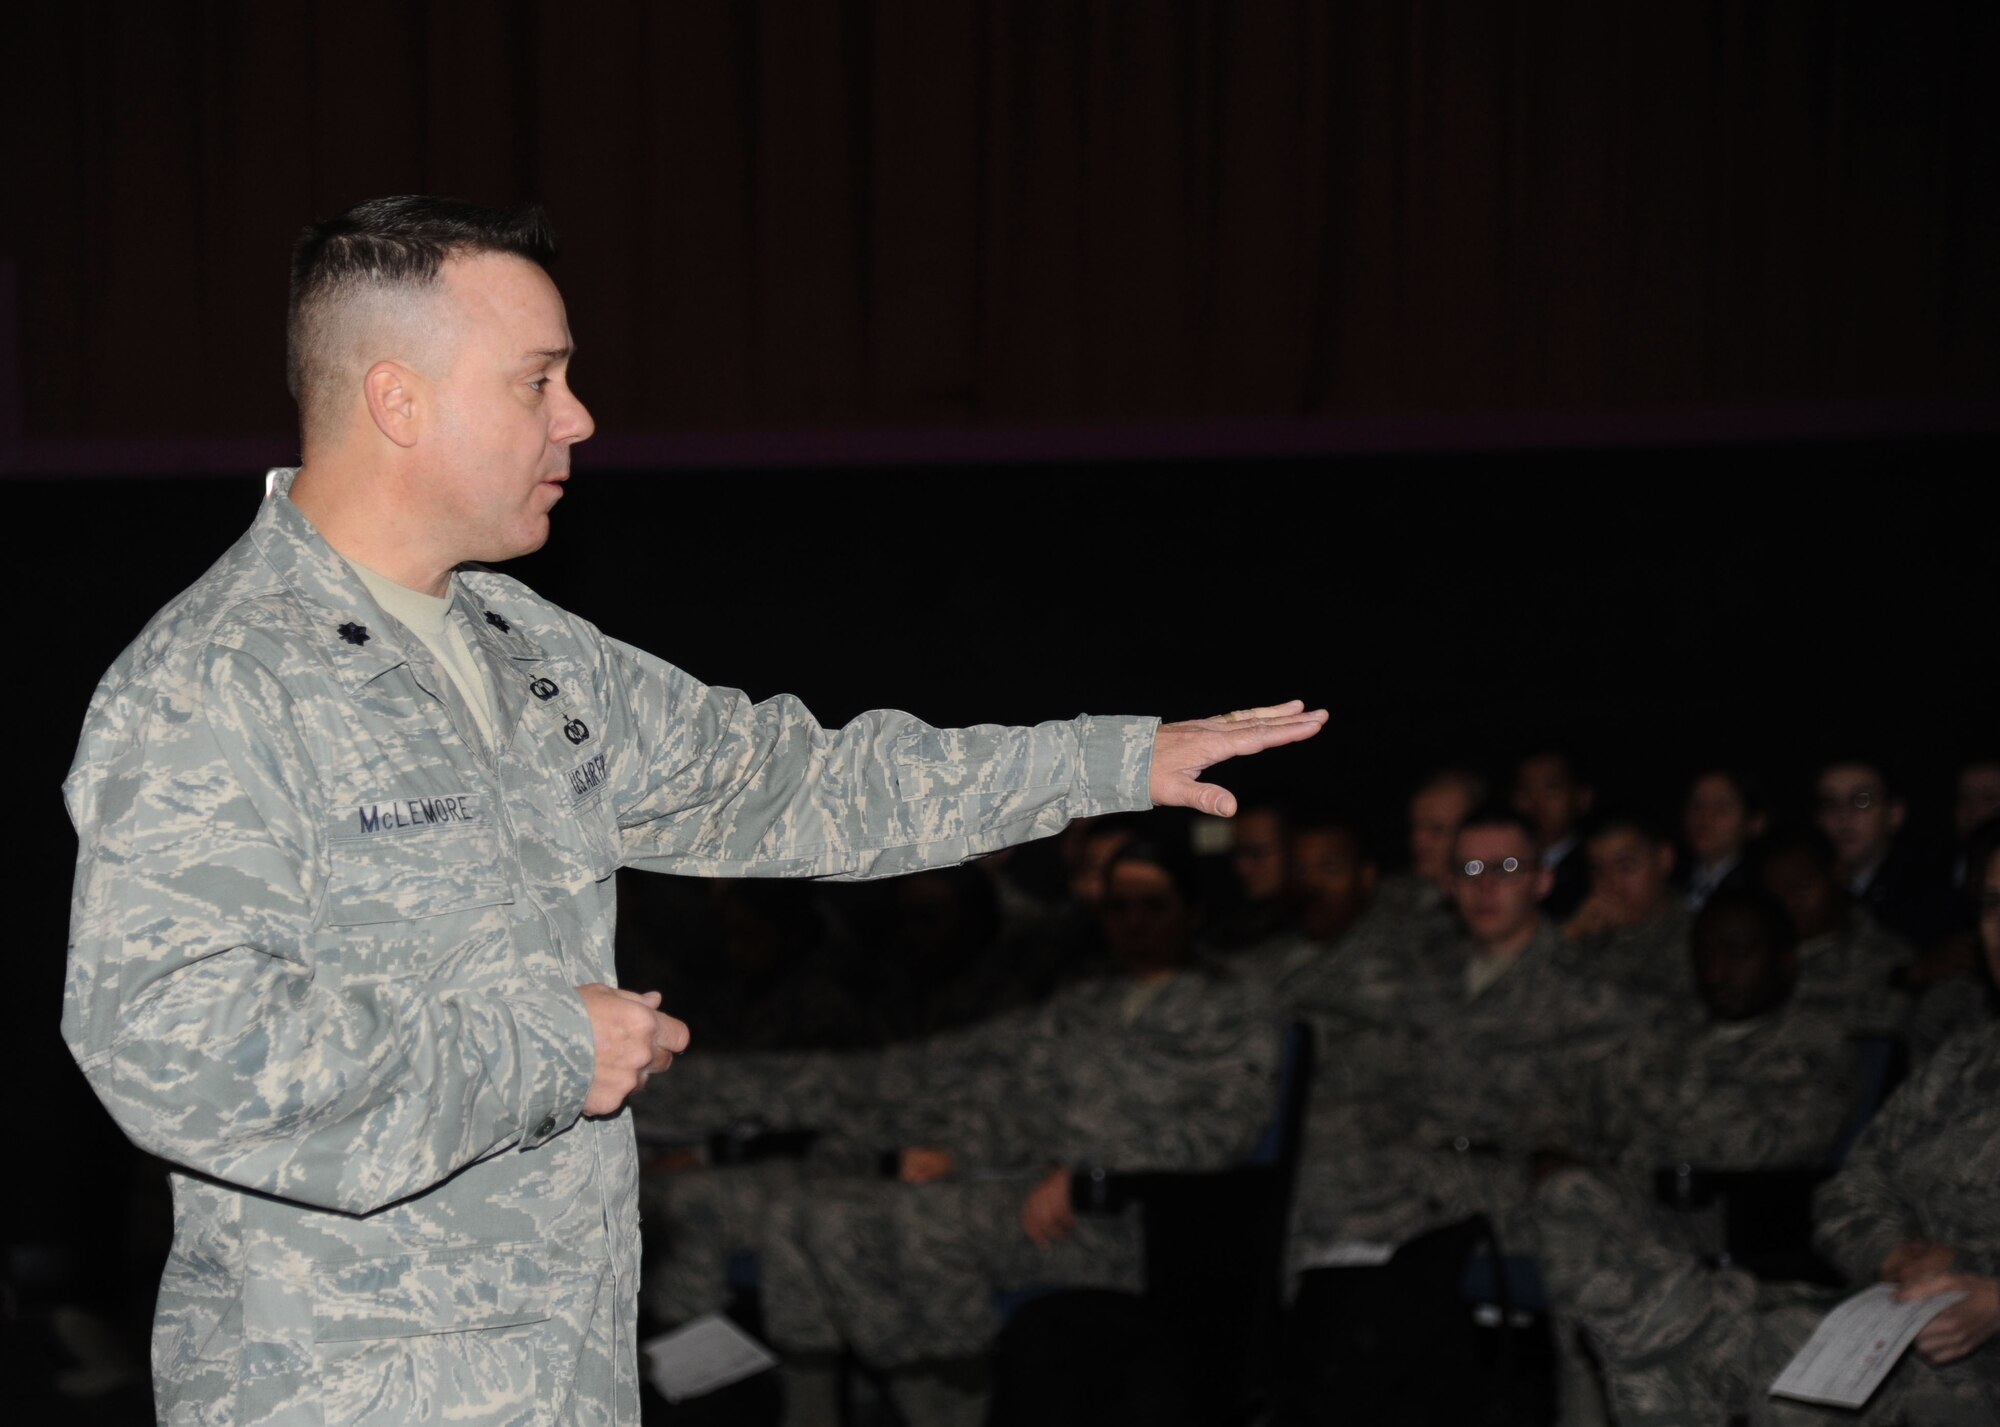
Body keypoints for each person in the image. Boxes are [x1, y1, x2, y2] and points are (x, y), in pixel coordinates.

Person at [59, 196, 1326, 1426]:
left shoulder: (526, 652)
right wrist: (550, 1051)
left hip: (562, 1366)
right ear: (397, 398)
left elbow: (800, 784)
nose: (580, 417)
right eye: (537, 380)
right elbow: (173, 1040)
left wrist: (1107, 761)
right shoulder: (218, 676)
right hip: (338, 1385)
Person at [1534, 840, 2000, 1425]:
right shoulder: (1969, 1058)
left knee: (1691, 1340)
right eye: (1992, 906)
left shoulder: (1813, 1043)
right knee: (1661, 1336)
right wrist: (1894, 1251)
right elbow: (1853, 1186)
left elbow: (1765, 1147)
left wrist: (1990, 1293)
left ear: (1784, 960)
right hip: (1896, 1309)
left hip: (1962, 1344)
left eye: (1737, 953)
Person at [1560, 811, 1696, 1011]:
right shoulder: (1585, 930)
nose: (1611, 884)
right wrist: (1568, 935)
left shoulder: (1696, 938)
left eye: (1626, 867)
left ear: (1664, 860)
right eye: (1598, 871)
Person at [1512, 750, 1595, 922]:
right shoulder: (1499, 863)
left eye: (1551, 789)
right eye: (1525, 791)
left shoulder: (1596, 868)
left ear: (1582, 797)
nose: (1536, 803)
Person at [1681, 766, 1768, 911]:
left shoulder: (1759, 889)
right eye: (1696, 804)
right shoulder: (1668, 877)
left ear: (1754, 822)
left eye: (1721, 807)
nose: (1705, 816)